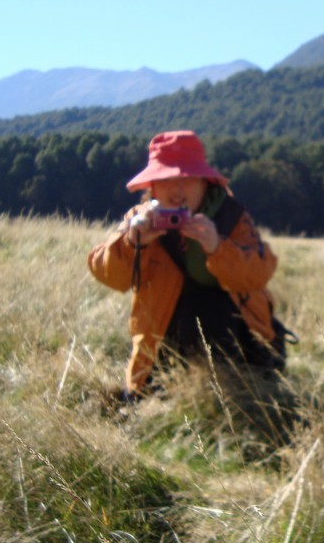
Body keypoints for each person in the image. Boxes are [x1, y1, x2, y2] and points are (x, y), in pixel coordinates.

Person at [88, 131, 286, 402]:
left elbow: (258, 274)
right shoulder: (140, 220)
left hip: (238, 345)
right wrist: (133, 243)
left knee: (207, 308)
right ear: (153, 187)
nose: (177, 190)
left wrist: (218, 246)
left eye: (187, 179)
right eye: (166, 180)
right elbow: (109, 275)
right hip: (163, 346)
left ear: (205, 183)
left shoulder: (231, 217)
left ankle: (236, 391)